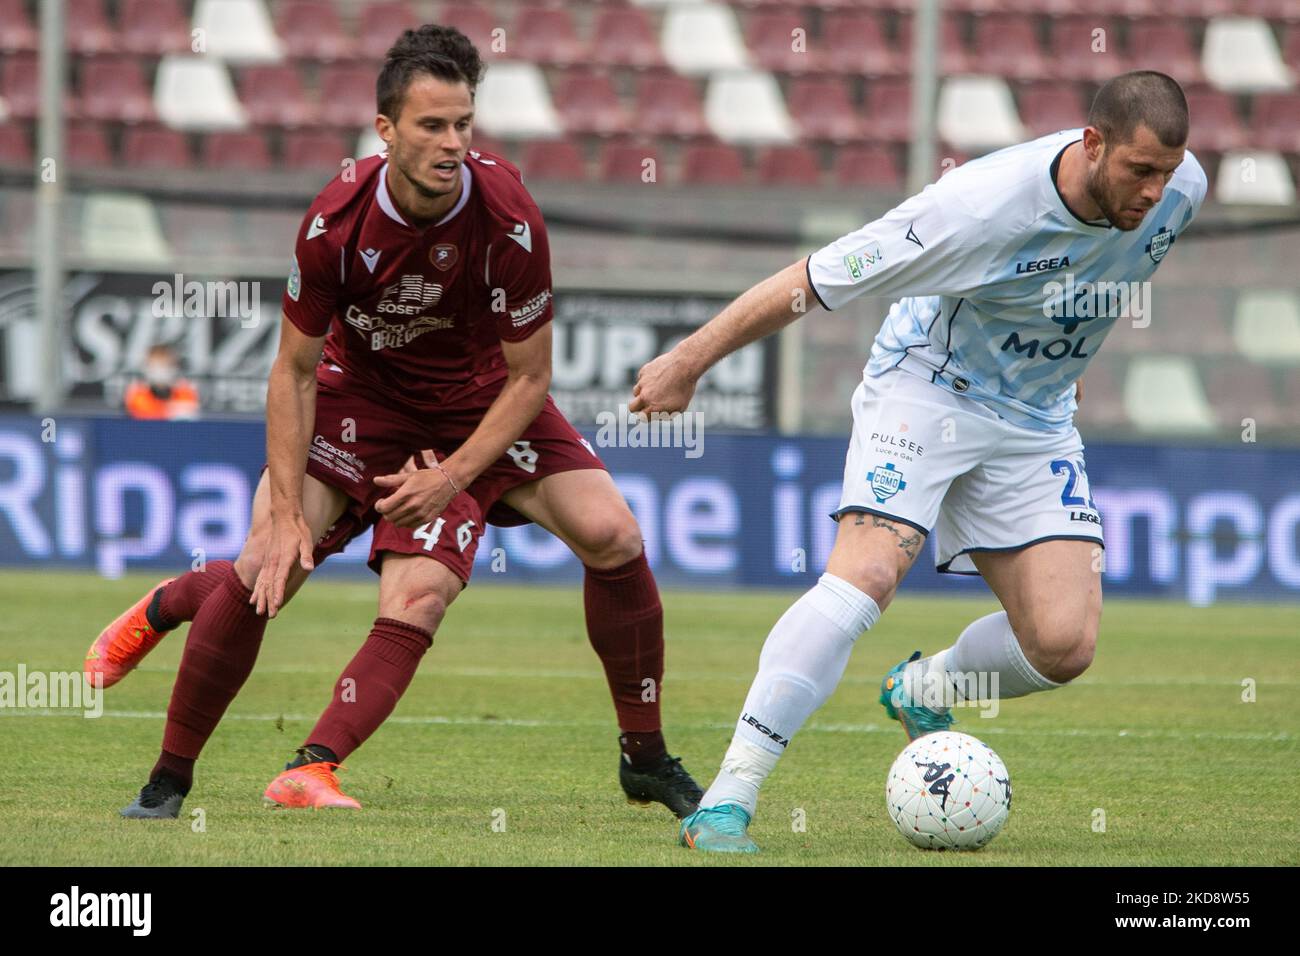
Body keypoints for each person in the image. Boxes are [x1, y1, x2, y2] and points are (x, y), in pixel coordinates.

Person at [87, 25, 701, 820]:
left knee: (608, 534)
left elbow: (531, 379)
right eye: (432, 126)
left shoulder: (510, 215)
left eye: (463, 125)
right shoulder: (333, 224)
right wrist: (279, 507)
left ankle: (643, 759)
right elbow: (293, 371)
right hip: (361, 402)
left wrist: (451, 477)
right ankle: (166, 779)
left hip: (485, 404)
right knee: (268, 569)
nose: (453, 144)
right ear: (386, 131)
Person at [629, 71, 1206, 853]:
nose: (1153, 192)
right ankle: (729, 799)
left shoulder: (1183, 190)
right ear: (1091, 143)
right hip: (927, 391)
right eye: (1139, 171)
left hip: (1035, 419)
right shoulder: (974, 209)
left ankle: (922, 688)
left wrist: (1161, 188)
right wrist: (690, 360)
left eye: (1165, 172)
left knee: (1064, 644)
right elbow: (815, 279)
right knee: (864, 576)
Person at [123, 344, 199, 420]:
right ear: (146, 368)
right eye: (155, 366)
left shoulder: (185, 391)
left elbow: (188, 412)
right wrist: (170, 410)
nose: (160, 371)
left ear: (174, 368)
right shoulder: (138, 391)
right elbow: (141, 411)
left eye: (165, 365)